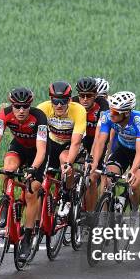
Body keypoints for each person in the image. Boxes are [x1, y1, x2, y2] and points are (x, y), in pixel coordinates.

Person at [0, 87, 48, 262]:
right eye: (17, 106)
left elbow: (41, 149)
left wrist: (33, 168)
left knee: (32, 191)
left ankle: (27, 236)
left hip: (37, 153)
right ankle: (6, 201)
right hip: (18, 147)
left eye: (25, 106)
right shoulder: (5, 114)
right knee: (8, 168)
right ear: (12, 105)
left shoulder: (39, 117)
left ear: (30, 106)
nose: (21, 110)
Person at [90, 91, 140, 225]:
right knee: (108, 177)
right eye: (111, 110)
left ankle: (135, 209)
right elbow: (101, 142)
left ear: (126, 113)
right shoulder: (108, 117)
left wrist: (132, 171)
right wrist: (95, 162)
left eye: (116, 112)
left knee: (134, 185)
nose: (111, 114)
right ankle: (106, 213)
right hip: (123, 149)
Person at [36, 81, 87, 217]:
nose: (59, 105)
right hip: (53, 142)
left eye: (63, 101)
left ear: (69, 100)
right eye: (55, 101)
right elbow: (36, 137)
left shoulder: (78, 110)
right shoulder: (42, 108)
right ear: (51, 99)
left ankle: (66, 196)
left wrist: (69, 164)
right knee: (44, 174)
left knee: (65, 160)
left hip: (71, 143)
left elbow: (76, 142)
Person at [72, 77, 109, 210]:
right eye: (82, 95)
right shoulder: (73, 102)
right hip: (81, 137)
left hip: (98, 139)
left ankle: (90, 215)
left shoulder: (103, 106)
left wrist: (92, 158)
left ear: (95, 95)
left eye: (89, 96)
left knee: (92, 177)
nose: (85, 99)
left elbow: (100, 136)